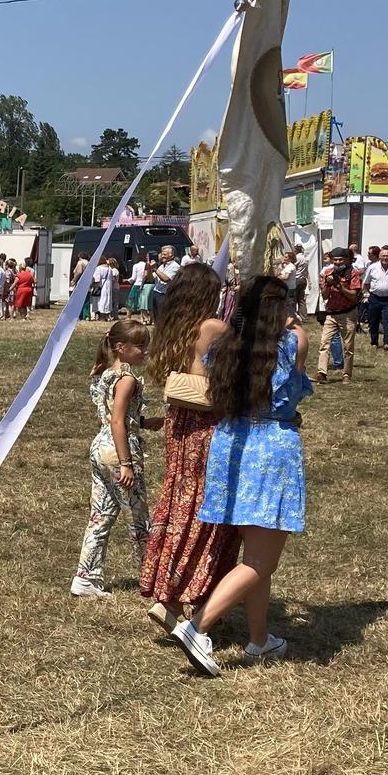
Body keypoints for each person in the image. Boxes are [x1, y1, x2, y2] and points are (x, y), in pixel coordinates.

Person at [171, 274, 312, 677]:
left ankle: (259, 639)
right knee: (261, 561)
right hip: (271, 449)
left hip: (231, 444)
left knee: (255, 556)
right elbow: (297, 391)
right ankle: (198, 626)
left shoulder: (226, 344)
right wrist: (295, 324)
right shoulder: (292, 342)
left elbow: (213, 392)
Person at [138, 262, 239, 631]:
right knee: (208, 511)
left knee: (180, 502)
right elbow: (230, 379)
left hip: (178, 423)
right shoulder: (213, 327)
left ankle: (167, 592)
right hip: (208, 424)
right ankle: (185, 594)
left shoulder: (170, 328)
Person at [70, 318, 157, 597]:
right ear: (121, 347)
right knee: (138, 517)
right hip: (118, 450)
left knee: (101, 515)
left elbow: (107, 416)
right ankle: (150, 577)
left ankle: (86, 576)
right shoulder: (127, 379)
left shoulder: (105, 373)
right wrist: (126, 463)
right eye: (140, 346)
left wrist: (143, 421)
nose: (145, 351)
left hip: (100, 448)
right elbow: (117, 421)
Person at [316, 247, 360, 383]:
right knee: (325, 343)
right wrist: (328, 285)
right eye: (335, 260)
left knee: (348, 346)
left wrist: (340, 287)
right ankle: (322, 373)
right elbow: (324, 296)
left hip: (348, 313)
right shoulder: (328, 273)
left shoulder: (353, 273)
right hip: (331, 313)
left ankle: (347, 374)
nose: (338, 262)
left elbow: (353, 296)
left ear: (347, 260)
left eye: (341, 260)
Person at [362, 244, 388, 349]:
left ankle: (387, 343)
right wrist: (367, 293)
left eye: (387, 256)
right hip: (375, 298)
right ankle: (374, 342)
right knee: (373, 321)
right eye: (383, 256)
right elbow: (366, 283)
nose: (385, 258)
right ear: (379, 256)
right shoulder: (372, 267)